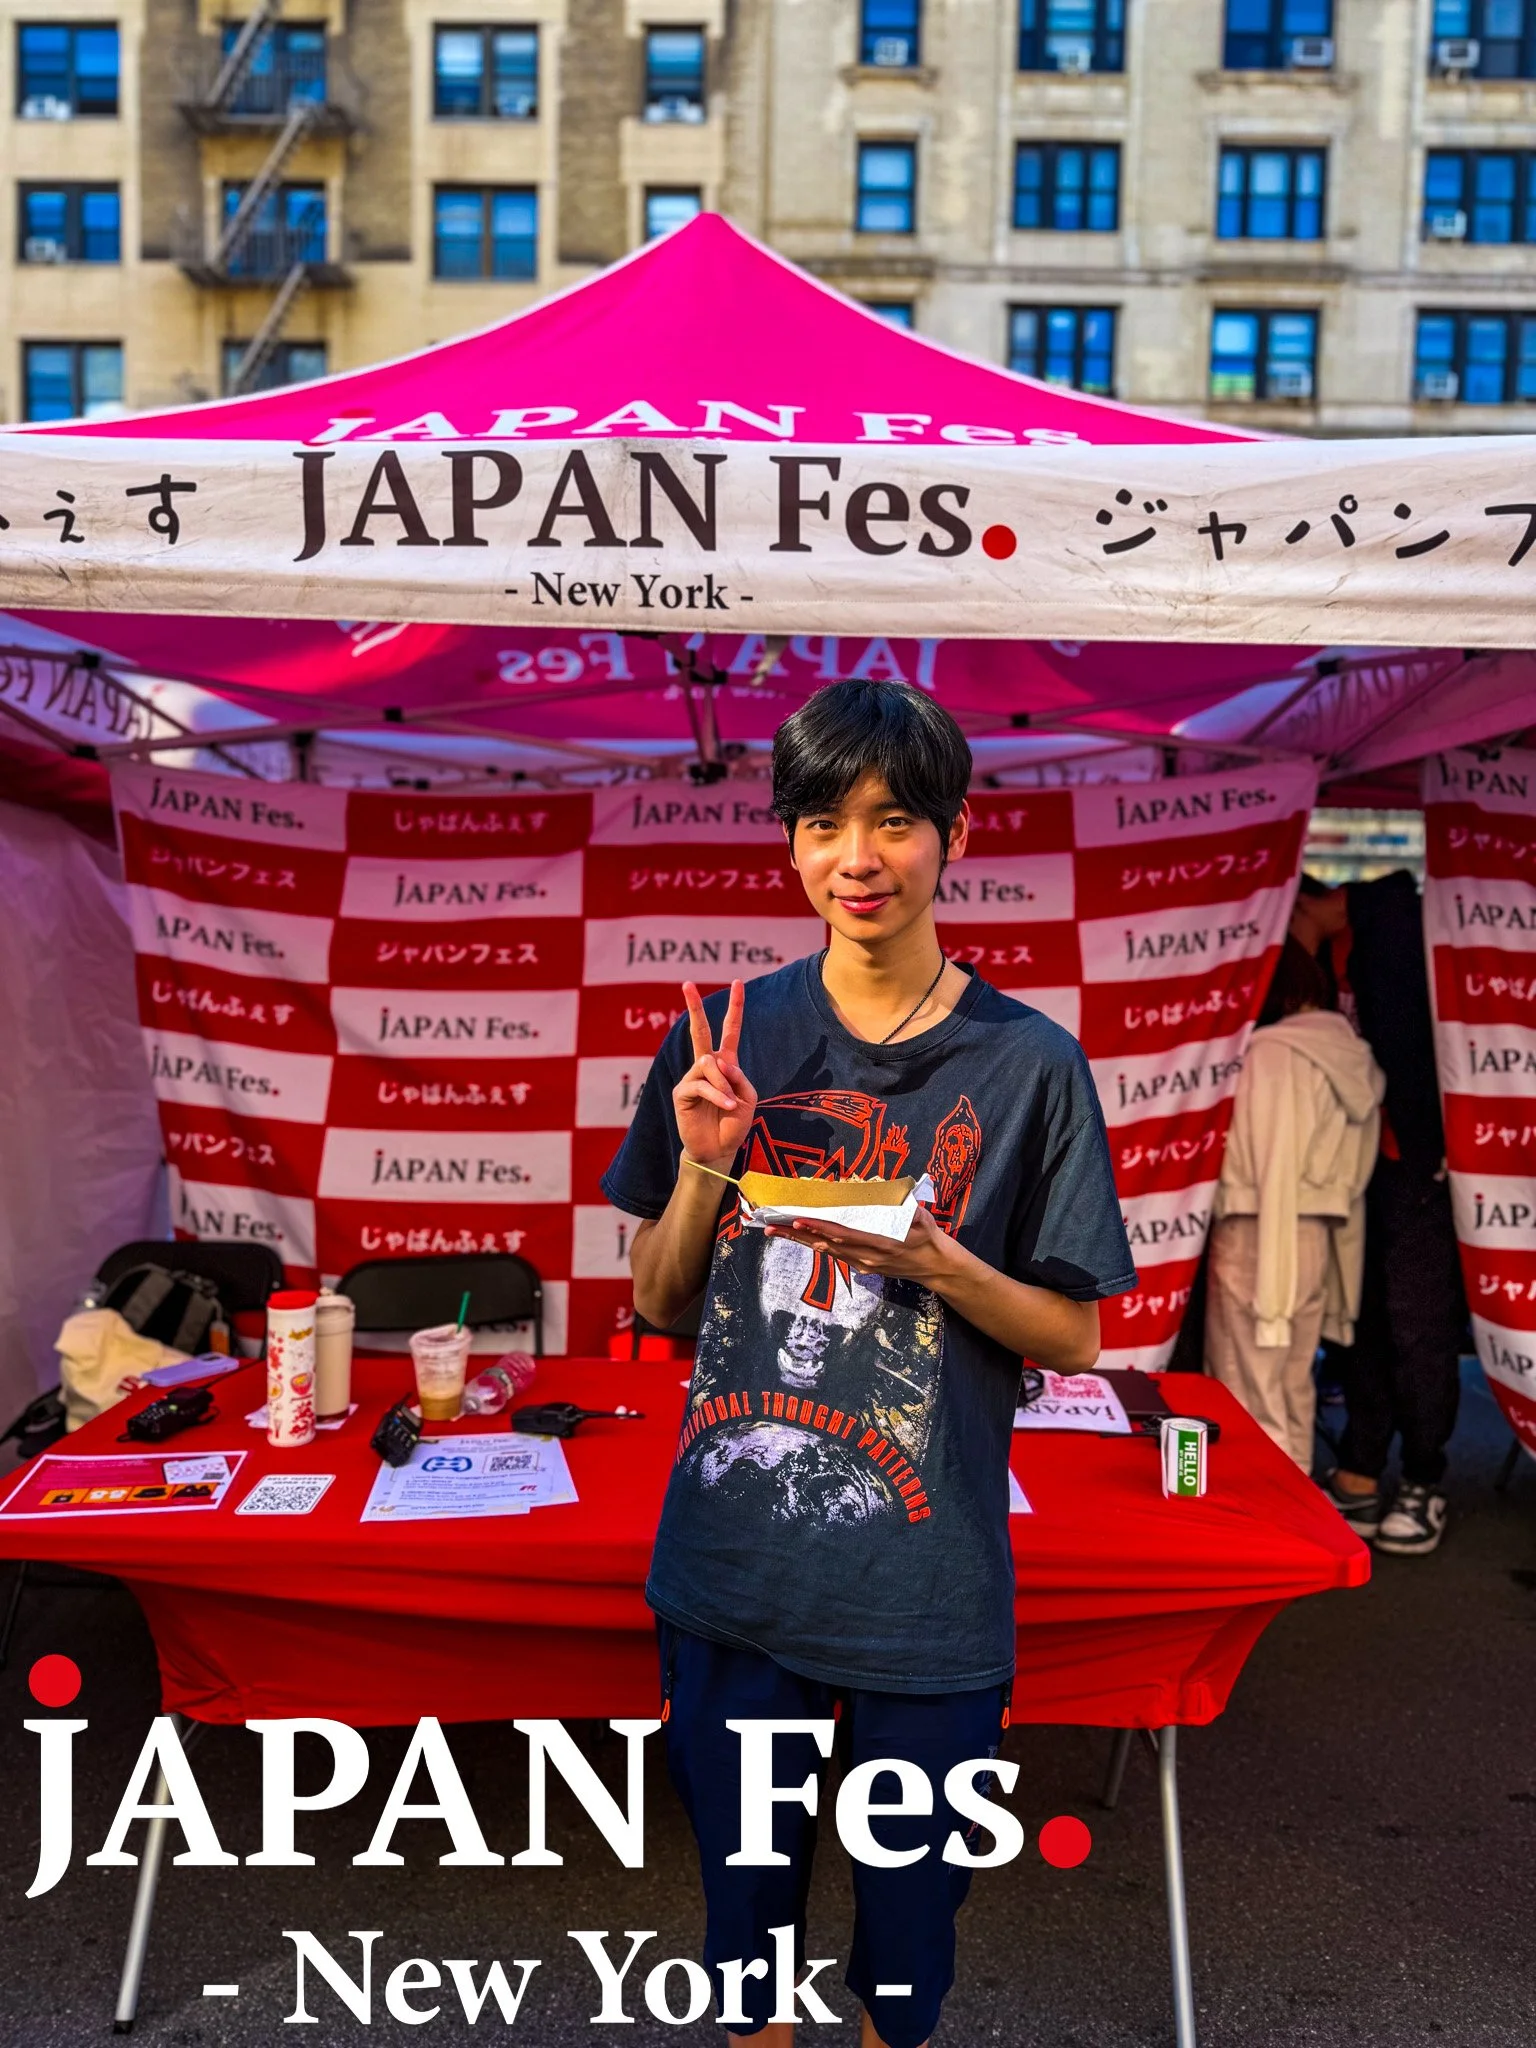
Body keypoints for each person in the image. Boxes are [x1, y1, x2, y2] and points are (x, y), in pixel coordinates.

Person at [602, 679, 1136, 2048]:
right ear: (788, 840)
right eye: (825, 822)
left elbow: (1076, 1335)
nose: (859, 856)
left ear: (954, 834)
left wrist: (942, 1265)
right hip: (733, 1563)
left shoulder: (1029, 1064)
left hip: (927, 1584)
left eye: (895, 819)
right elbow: (660, 1300)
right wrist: (708, 1162)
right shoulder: (730, 1037)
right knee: (744, 1931)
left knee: (908, 1945)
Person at [1291, 872, 1468, 1555]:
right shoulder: (1348, 944)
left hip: (1419, 1165)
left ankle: (1424, 1479)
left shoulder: (1397, 929)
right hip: (1362, 1166)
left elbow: (1420, 1052)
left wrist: (1433, 1151)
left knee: (1417, 1325)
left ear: (1304, 905)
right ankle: (1360, 1470)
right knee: (1360, 1320)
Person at [1204, 936, 1384, 1471]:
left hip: (1262, 1231)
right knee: (1293, 1384)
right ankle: (1303, 1506)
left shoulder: (1272, 1054)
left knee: (1247, 1387)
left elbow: (1273, 1159)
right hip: (1318, 1232)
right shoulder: (1349, 1053)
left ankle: (1266, 1516)